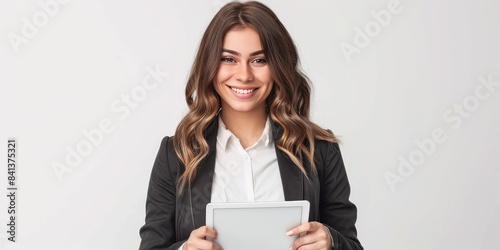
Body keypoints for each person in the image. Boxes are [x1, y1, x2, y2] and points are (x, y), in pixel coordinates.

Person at [139, 1, 362, 249]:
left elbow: (351, 244)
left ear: (278, 66)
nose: (244, 75)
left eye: (259, 60)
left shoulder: (319, 150)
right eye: (228, 59)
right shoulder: (176, 155)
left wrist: (331, 242)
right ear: (210, 66)